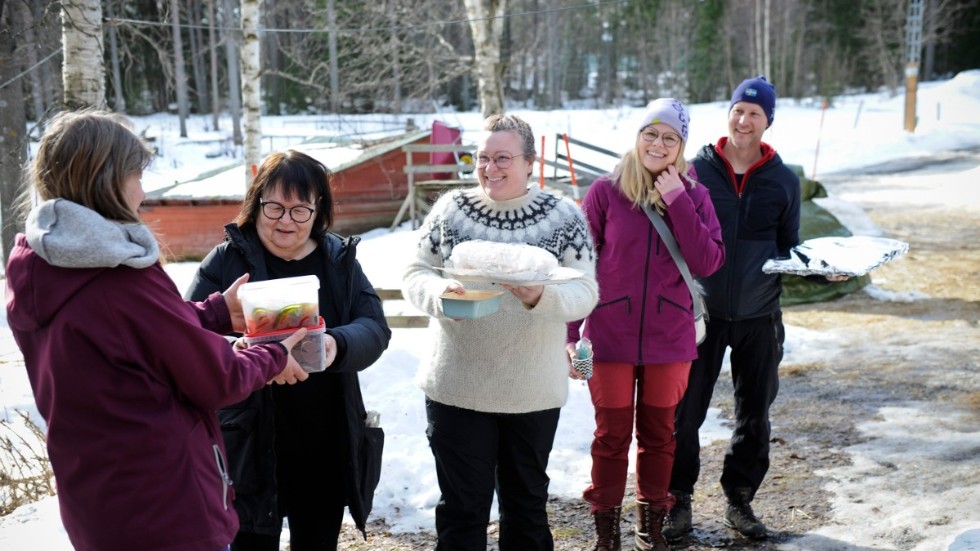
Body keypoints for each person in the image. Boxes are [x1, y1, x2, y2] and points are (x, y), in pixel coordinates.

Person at [4, 110, 311, 551]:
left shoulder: (41, 267)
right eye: (136, 175)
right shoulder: (118, 276)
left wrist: (214, 312)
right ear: (107, 180)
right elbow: (218, 376)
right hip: (165, 508)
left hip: (97, 501)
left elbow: (129, 337)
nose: (143, 191)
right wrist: (274, 351)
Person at [402, 114, 599, 550]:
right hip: (458, 387)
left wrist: (537, 298)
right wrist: (441, 293)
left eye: (503, 158)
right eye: (483, 157)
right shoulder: (451, 210)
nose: (490, 167)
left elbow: (585, 292)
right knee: (461, 513)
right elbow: (415, 274)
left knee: (526, 510)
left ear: (530, 162)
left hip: (531, 391)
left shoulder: (564, 216)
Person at [185, 149, 392, 550]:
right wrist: (248, 354)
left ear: (319, 211)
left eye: (300, 210)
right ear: (256, 202)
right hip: (246, 444)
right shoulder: (227, 259)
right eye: (275, 207)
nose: (286, 221)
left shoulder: (338, 260)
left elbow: (374, 328)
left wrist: (336, 344)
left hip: (324, 444)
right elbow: (187, 337)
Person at [566, 98, 725, 551]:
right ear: (637, 137)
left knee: (659, 437)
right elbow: (581, 268)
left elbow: (708, 261)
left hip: (670, 340)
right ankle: (607, 534)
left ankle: (651, 530)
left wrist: (676, 199)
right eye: (650, 133)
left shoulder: (695, 195)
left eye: (669, 137)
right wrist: (572, 336)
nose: (658, 143)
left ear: (681, 146)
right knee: (610, 436)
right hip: (606, 339)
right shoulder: (604, 193)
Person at [664, 76, 798, 541]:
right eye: (739, 110)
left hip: (760, 316)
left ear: (767, 122)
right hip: (699, 314)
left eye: (755, 114)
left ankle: (739, 501)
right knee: (684, 412)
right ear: (729, 114)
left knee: (754, 413)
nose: (744, 120)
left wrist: (820, 270)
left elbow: (789, 248)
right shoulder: (695, 170)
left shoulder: (783, 180)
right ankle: (676, 501)